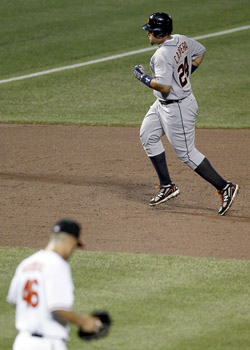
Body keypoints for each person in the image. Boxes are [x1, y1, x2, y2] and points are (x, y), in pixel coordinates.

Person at [133, 12, 239, 215]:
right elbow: (200, 52)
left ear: (159, 32)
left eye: (150, 32)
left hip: (178, 108)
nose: (148, 35)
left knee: (187, 153)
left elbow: (163, 87)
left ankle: (225, 187)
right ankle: (167, 186)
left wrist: (142, 77)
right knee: (148, 135)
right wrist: (184, 77)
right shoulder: (181, 39)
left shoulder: (161, 55)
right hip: (163, 104)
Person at [7, 219, 103, 350]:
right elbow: (58, 307)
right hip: (47, 344)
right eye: (75, 245)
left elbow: (14, 300)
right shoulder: (58, 264)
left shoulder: (26, 263)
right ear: (71, 240)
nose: (74, 250)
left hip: (22, 343)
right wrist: (83, 322)